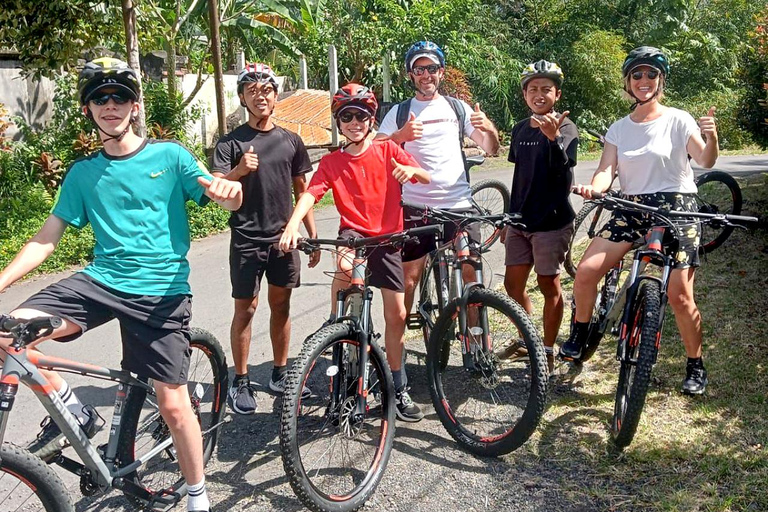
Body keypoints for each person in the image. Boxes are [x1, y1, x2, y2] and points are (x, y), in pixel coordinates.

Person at [0, 57, 243, 512]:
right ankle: (75, 410)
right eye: (99, 98)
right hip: (100, 282)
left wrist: (231, 192)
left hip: (161, 291)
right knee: (8, 333)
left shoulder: (169, 156)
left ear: (135, 105)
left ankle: (197, 496)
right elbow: (46, 238)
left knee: (173, 406)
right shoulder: (83, 173)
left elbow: (218, 191)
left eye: (120, 97)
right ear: (88, 108)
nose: (110, 105)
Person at [560, 46, 719, 395]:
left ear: (660, 81)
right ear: (628, 83)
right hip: (630, 207)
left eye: (651, 74)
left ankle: (695, 364)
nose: (644, 80)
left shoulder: (679, 119)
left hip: (677, 207)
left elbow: (705, 160)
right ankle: (580, 331)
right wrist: (595, 188)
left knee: (680, 296)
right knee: (586, 273)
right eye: (637, 75)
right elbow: (606, 170)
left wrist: (712, 136)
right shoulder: (619, 128)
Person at [279, 83, 431, 422]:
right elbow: (310, 195)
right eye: (346, 116)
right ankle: (340, 322)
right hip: (355, 235)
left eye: (361, 115)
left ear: (371, 118)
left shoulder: (388, 150)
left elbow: (423, 176)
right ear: (338, 122)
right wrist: (292, 225)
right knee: (346, 266)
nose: (354, 122)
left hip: (389, 240)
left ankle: (398, 384)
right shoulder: (332, 162)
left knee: (398, 317)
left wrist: (411, 171)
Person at [211, 63, 318, 415]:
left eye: (267, 89)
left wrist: (312, 235)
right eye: (252, 90)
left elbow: (304, 191)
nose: (261, 96)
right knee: (246, 308)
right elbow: (217, 188)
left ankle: (279, 371)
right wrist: (239, 170)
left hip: (284, 239)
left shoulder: (291, 140)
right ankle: (240, 380)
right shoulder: (230, 143)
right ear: (242, 97)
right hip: (245, 237)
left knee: (281, 306)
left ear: (275, 96)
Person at [375, 40, 501, 321]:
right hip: (415, 208)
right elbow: (374, 151)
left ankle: (477, 340)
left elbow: (491, 148)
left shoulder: (458, 108)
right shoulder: (398, 112)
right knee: (408, 280)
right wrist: (400, 137)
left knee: (471, 270)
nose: (425, 74)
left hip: (459, 205)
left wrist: (488, 127)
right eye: (419, 69)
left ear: (441, 72)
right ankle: (399, 346)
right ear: (411, 75)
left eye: (431, 68)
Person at [498, 60, 578, 376]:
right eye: (533, 89)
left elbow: (563, 167)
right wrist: (508, 218)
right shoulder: (519, 129)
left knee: (548, 285)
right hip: (520, 220)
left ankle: (546, 351)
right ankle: (526, 338)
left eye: (546, 89)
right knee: (512, 285)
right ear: (525, 95)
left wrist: (552, 138)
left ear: (556, 94)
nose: (539, 94)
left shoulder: (566, 128)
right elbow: (521, 176)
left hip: (552, 220)